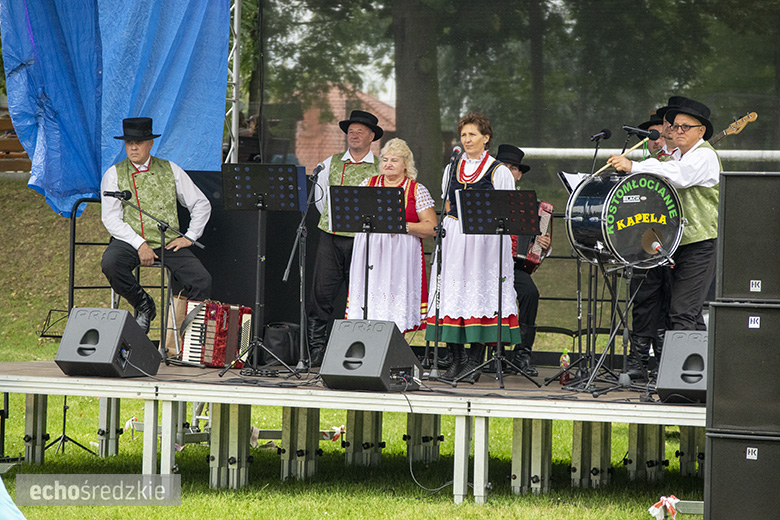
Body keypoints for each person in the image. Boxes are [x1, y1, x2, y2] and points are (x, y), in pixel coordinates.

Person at [608, 98, 719, 377]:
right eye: (676, 126)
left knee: (683, 311)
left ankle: (682, 381)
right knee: (684, 312)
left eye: (686, 126)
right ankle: (699, 376)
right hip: (676, 244)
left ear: (701, 131)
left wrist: (633, 167)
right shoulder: (676, 156)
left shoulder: (704, 155)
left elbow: (679, 176)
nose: (678, 131)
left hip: (700, 243)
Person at [426, 112, 522, 384]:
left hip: (485, 242)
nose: (467, 140)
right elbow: (446, 204)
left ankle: (474, 362)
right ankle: (455, 360)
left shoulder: (499, 171)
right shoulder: (452, 167)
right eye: (464, 135)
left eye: (473, 135)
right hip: (456, 238)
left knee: (479, 296)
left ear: (486, 138)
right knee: (452, 295)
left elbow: (506, 210)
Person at [101, 117, 212, 334]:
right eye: (129, 142)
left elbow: (201, 203)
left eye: (139, 142)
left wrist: (190, 236)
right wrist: (139, 244)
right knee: (111, 263)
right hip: (129, 241)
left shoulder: (171, 169)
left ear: (150, 143)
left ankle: (187, 337)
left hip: (167, 241)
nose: (133, 147)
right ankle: (143, 304)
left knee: (201, 279)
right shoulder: (113, 174)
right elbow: (111, 218)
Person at [307, 110, 384, 367]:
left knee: (362, 294)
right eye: (351, 130)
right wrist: (331, 219)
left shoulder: (380, 167)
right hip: (330, 237)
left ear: (372, 136)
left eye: (360, 130)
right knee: (322, 292)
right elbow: (320, 199)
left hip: (363, 240)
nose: (354, 133)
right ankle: (317, 351)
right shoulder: (331, 161)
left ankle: (360, 354)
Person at [345, 138, 436, 332]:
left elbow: (431, 228)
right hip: (369, 250)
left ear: (405, 164)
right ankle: (365, 338)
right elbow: (352, 216)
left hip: (400, 253)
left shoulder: (415, 189)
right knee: (369, 294)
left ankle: (395, 343)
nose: (388, 164)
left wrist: (403, 226)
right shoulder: (367, 185)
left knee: (395, 295)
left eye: (394, 160)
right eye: (385, 159)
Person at [490, 144, 552, 377]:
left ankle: (522, 354)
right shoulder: (486, 199)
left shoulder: (531, 206)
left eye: (513, 168)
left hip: (514, 266)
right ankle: (495, 355)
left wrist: (543, 246)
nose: (508, 171)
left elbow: (539, 245)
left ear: (518, 174)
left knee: (530, 294)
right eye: (503, 166)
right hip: (487, 265)